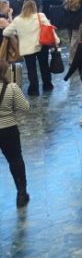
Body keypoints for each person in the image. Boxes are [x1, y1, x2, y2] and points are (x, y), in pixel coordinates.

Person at [3, 0, 50, 95]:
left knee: (31, 69)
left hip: (27, 48)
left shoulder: (18, 20)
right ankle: (47, 85)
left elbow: (6, 32)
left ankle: (34, 90)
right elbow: (49, 30)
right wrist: (57, 41)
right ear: (35, 7)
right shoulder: (40, 16)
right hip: (41, 45)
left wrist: (17, 32)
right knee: (44, 66)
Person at [0, 60, 30, 207]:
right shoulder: (11, 88)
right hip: (9, 129)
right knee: (15, 160)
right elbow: (25, 107)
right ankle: (21, 193)